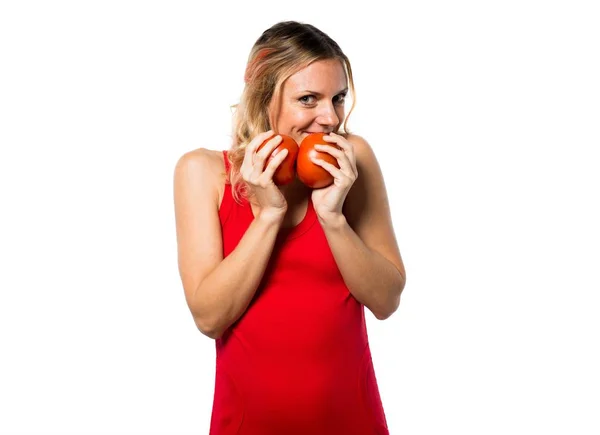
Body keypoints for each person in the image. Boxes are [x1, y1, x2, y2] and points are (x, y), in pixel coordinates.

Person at [173, 20, 406, 435]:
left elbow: (387, 300)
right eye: (308, 99)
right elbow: (209, 318)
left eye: (337, 98)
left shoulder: (354, 160)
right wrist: (268, 216)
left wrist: (333, 218)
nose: (329, 118)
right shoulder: (203, 173)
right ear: (261, 95)